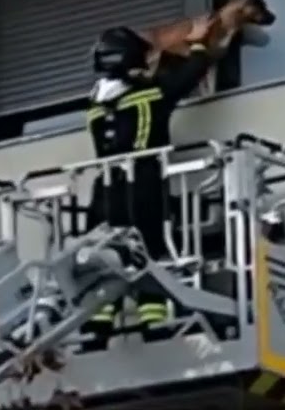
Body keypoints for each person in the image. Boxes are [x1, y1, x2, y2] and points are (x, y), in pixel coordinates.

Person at [79, 19, 219, 350]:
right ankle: (154, 323)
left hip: (103, 193)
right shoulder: (150, 95)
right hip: (142, 187)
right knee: (151, 253)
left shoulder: (94, 104)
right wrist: (199, 43)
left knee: (107, 259)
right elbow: (190, 74)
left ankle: (96, 327)